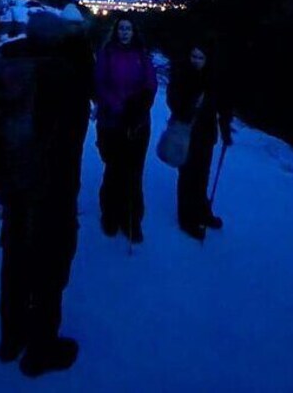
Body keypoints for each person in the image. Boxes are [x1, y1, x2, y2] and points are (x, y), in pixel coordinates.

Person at [0, 8, 92, 377]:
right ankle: (41, 348)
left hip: (13, 181)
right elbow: (72, 137)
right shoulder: (65, 74)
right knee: (51, 263)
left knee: (14, 257)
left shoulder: (5, 64)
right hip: (53, 186)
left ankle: (11, 338)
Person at [94, 15, 158, 243]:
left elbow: (151, 84)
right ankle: (110, 213)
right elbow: (99, 85)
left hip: (138, 123)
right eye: (121, 28)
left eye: (128, 29)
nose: (124, 32)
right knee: (114, 169)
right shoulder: (106, 54)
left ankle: (132, 218)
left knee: (133, 172)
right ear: (115, 31)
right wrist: (117, 106)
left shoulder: (142, 54)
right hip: (112, 122)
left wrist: (139, 107)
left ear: (134, 32)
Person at [166, 43, 233, 240]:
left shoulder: (213, 79)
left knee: (202, 174)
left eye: (200, 57)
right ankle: (187, 218)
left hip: (206, 133)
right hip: (185, 133)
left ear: (207, 60)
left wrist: (225, 128)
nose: (196, 60)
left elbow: (223, 105)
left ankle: (202, 211)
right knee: (187, 176)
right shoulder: (181, 76)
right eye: (193, 56)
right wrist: (187, 110)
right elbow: (173, 102)